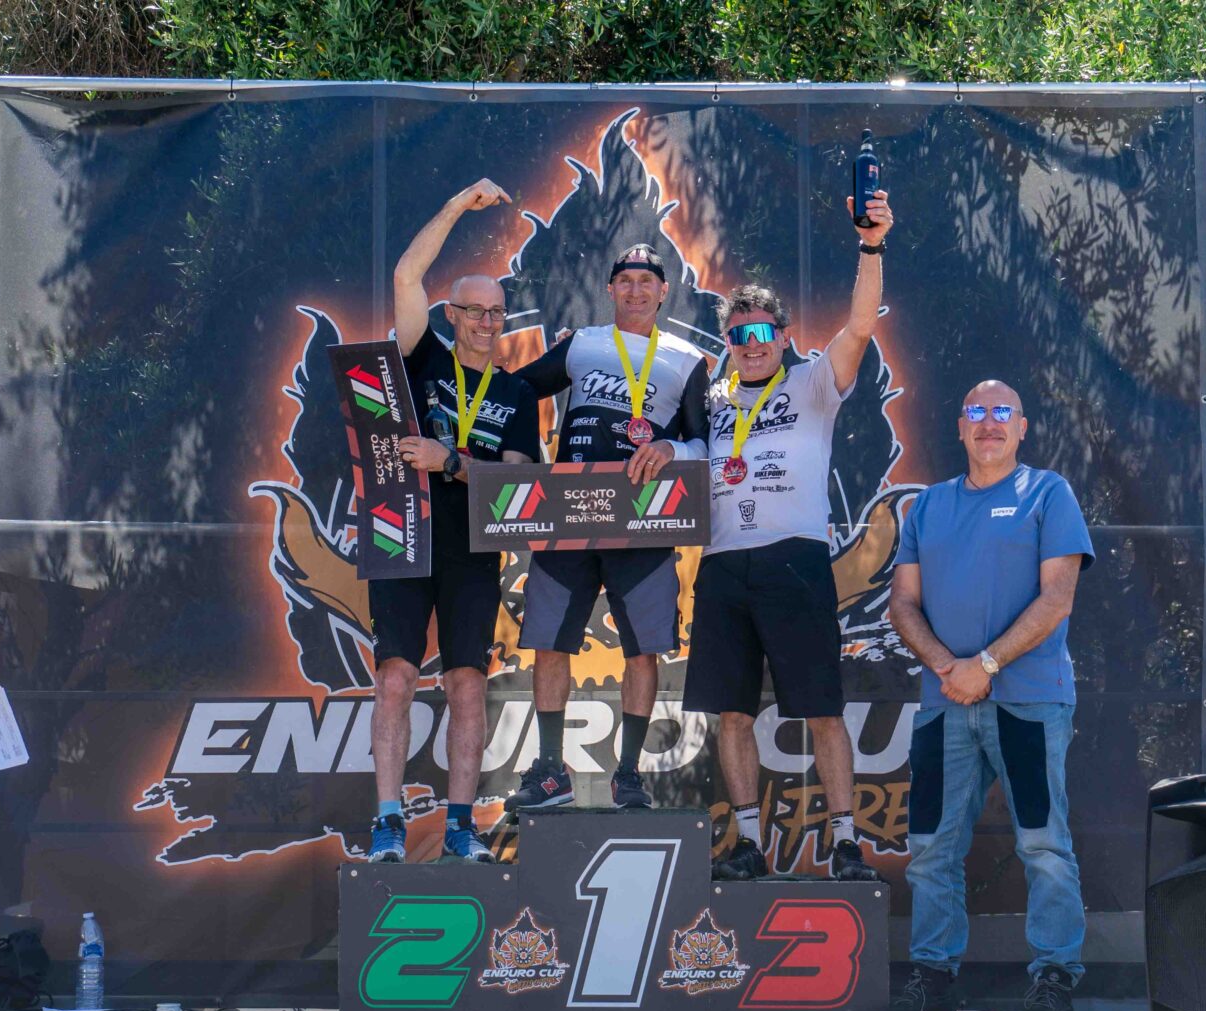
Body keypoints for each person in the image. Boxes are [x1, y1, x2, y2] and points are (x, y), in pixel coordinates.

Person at [640, 191, 894, 881]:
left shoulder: (813, 384)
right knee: (731, 713)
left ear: (782, 337)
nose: (749, 346)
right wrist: (667, 451)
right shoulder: (717, 399)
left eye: (761, 334)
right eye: (737, 336)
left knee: (822, 710)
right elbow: (697, 454)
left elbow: (861, 326)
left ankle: (846, 844)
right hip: (724, 567)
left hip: (794, 562)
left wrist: (870, 246)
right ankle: (748, 843)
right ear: (727, 344)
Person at [870, 379, 1094, 1011]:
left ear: (1021, 427)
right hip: (944, 705)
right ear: (960, 427)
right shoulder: (929, 506)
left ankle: (1054, 984)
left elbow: (1058, 599)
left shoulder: (1048, 493)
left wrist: (986, 665)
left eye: (1002, 412)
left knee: (1043, 845)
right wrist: (949, 668)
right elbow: (902, 604)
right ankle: (934, 985)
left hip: (1030, 701)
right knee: (930, 849)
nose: (988, 422)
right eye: (976, 411)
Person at [368, 179, 543, 863]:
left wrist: (451, 461)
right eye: (475, 312)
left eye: (497, 314)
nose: (487, 324)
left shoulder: (516, 392)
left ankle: (462, 826)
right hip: (403, 533)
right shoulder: (423, 359)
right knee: (395, 677)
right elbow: (405, 274)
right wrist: (455, 206)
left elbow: (520, 483)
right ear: (452, 314)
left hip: (473, 548)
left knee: (467, 682)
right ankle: (387, 823)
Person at [508, 244, 710, 810]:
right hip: (569, 512)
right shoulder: (582, 344)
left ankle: (629, 775)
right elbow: (515, 393)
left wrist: (671, 448)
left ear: (664, 291)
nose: (636, 290)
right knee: (550, 643)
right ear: (610, 289)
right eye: (625, 280)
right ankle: (551, 771)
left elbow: (706, 444)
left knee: (642, 650)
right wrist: (522, 458)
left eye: (647, 281)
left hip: (642, 519)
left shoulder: (687, 359)